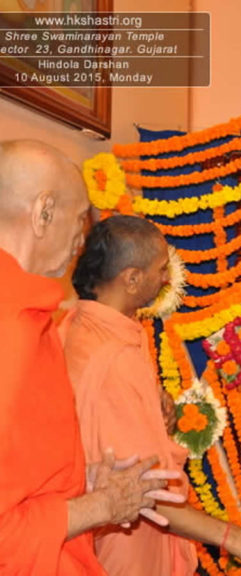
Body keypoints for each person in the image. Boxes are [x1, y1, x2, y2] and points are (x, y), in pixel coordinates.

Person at [62, 214, 241, 576]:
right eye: (161, 268)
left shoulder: (81, 326)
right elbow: (142, 488)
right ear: (132, 278)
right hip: (126, 549)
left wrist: (151, 406)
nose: (166, 278)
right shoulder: (113, 357)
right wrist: (236, 538)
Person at [0, 140, 183, 574]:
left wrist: (82, 484)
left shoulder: (34, 313)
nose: (83, 240)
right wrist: (99, 505)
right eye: (81, 218)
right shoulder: (11, 324)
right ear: (44, 211)